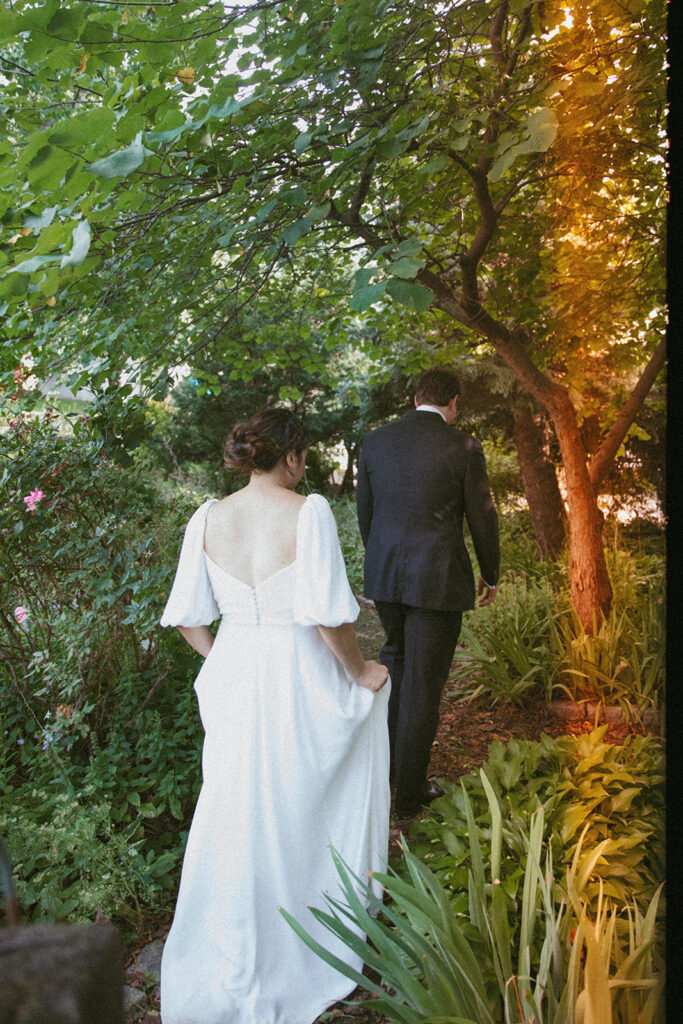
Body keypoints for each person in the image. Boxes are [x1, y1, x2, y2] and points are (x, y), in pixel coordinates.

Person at [159, 407, 390, 1024]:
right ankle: (306, 930)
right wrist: (359, 672)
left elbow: (186, 616)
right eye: (304, 452)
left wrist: (226, 654)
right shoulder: (309, 512)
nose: (305, 463)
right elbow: (326, 616)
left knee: (236, 805)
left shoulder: (207, 517)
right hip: (297, 671)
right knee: (296, 797)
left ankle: (236, 936)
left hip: (233, 672)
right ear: (290, 455)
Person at [356, 366, 500, 818]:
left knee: (394, 664)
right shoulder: (464, 447)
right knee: (423, 684)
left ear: (416, 396)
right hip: (437, 580)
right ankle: (407, 796)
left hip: (388, 577)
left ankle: (384, 777)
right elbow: (483, 515)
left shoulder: (376, 441)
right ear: (453, 401)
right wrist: (490, 574)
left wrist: (383, 562)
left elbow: (367, 514)